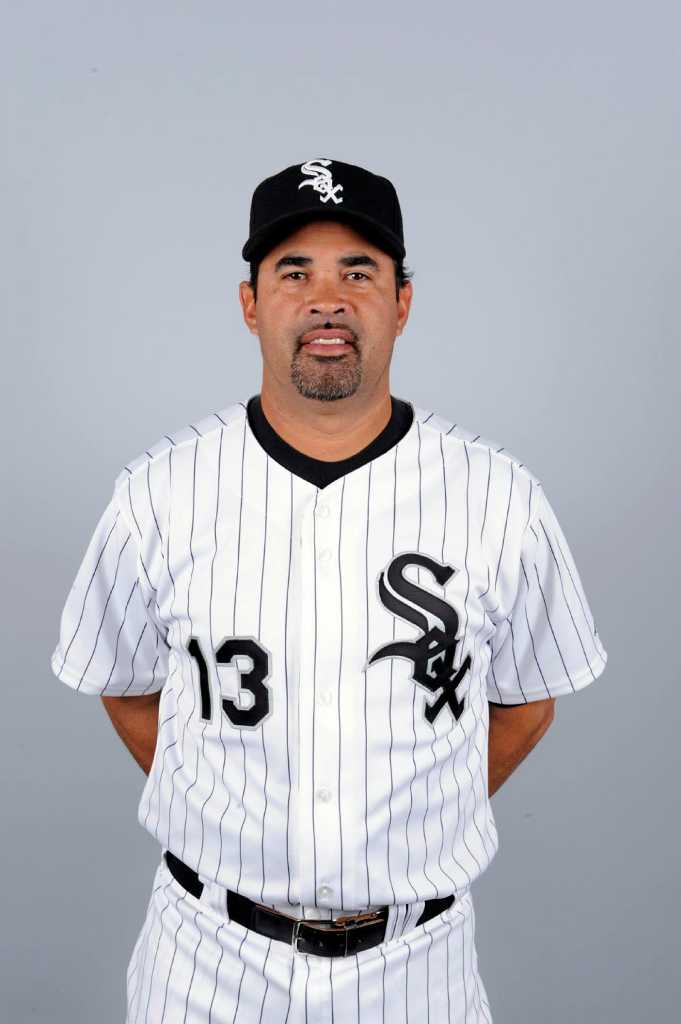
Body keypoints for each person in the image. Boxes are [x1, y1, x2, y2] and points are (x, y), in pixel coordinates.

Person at [50, 157, 608, 1023]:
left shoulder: (500, 497)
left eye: (358, 272)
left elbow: (527, 705)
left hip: (417, 970)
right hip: (205, 965)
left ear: (402, 301)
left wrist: (407, 822)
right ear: (249, 304)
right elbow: (123, 684)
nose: (327, 299)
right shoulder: (156, 494)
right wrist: (230, 815)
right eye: (294, 272)